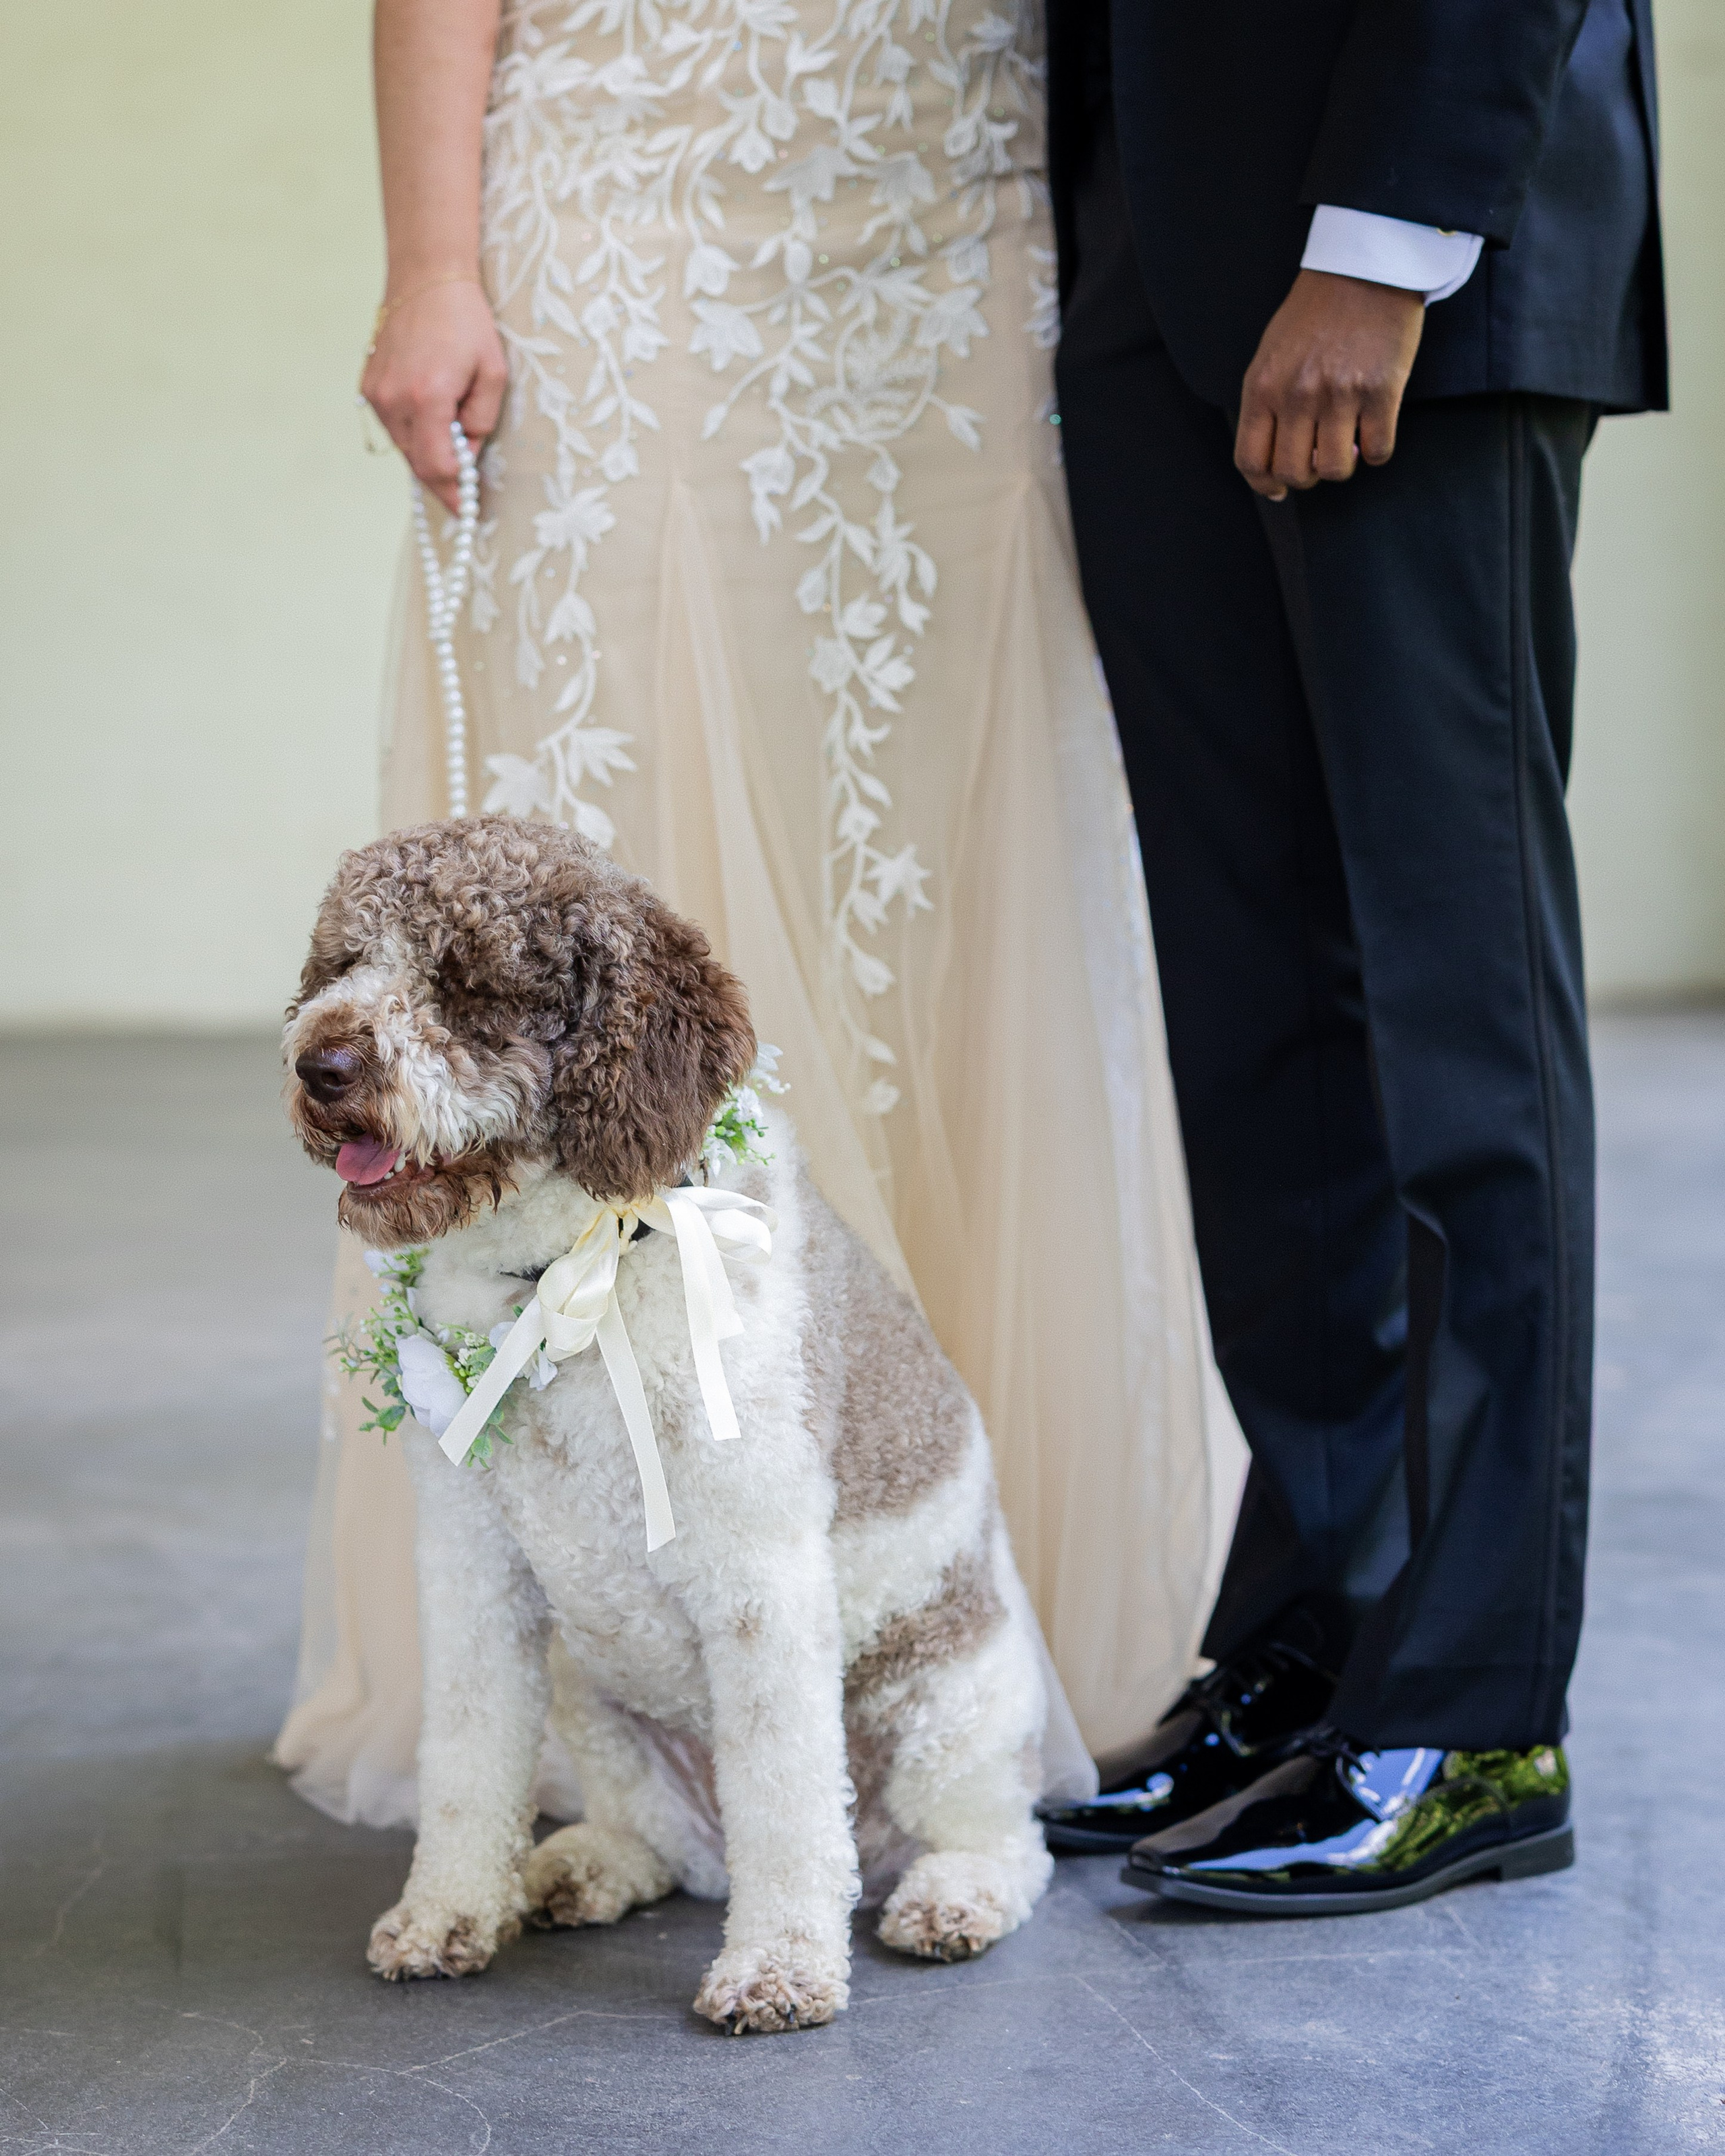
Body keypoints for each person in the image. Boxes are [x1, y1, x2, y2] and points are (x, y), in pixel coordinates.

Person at [274, 0, 1238, 1831]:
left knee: (948, 902)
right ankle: (594, 1676)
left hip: (952, 228)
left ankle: (945, 1593)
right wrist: (433, 261)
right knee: (604, 882)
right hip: (623, 230)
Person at [1036, 0, 1668, 1909]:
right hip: (1162, 244)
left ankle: (1475, 1716)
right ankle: (1325, 1634)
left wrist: (1382, 243)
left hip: (1400, 247)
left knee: (1457, 1014)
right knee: (1258, 1006)